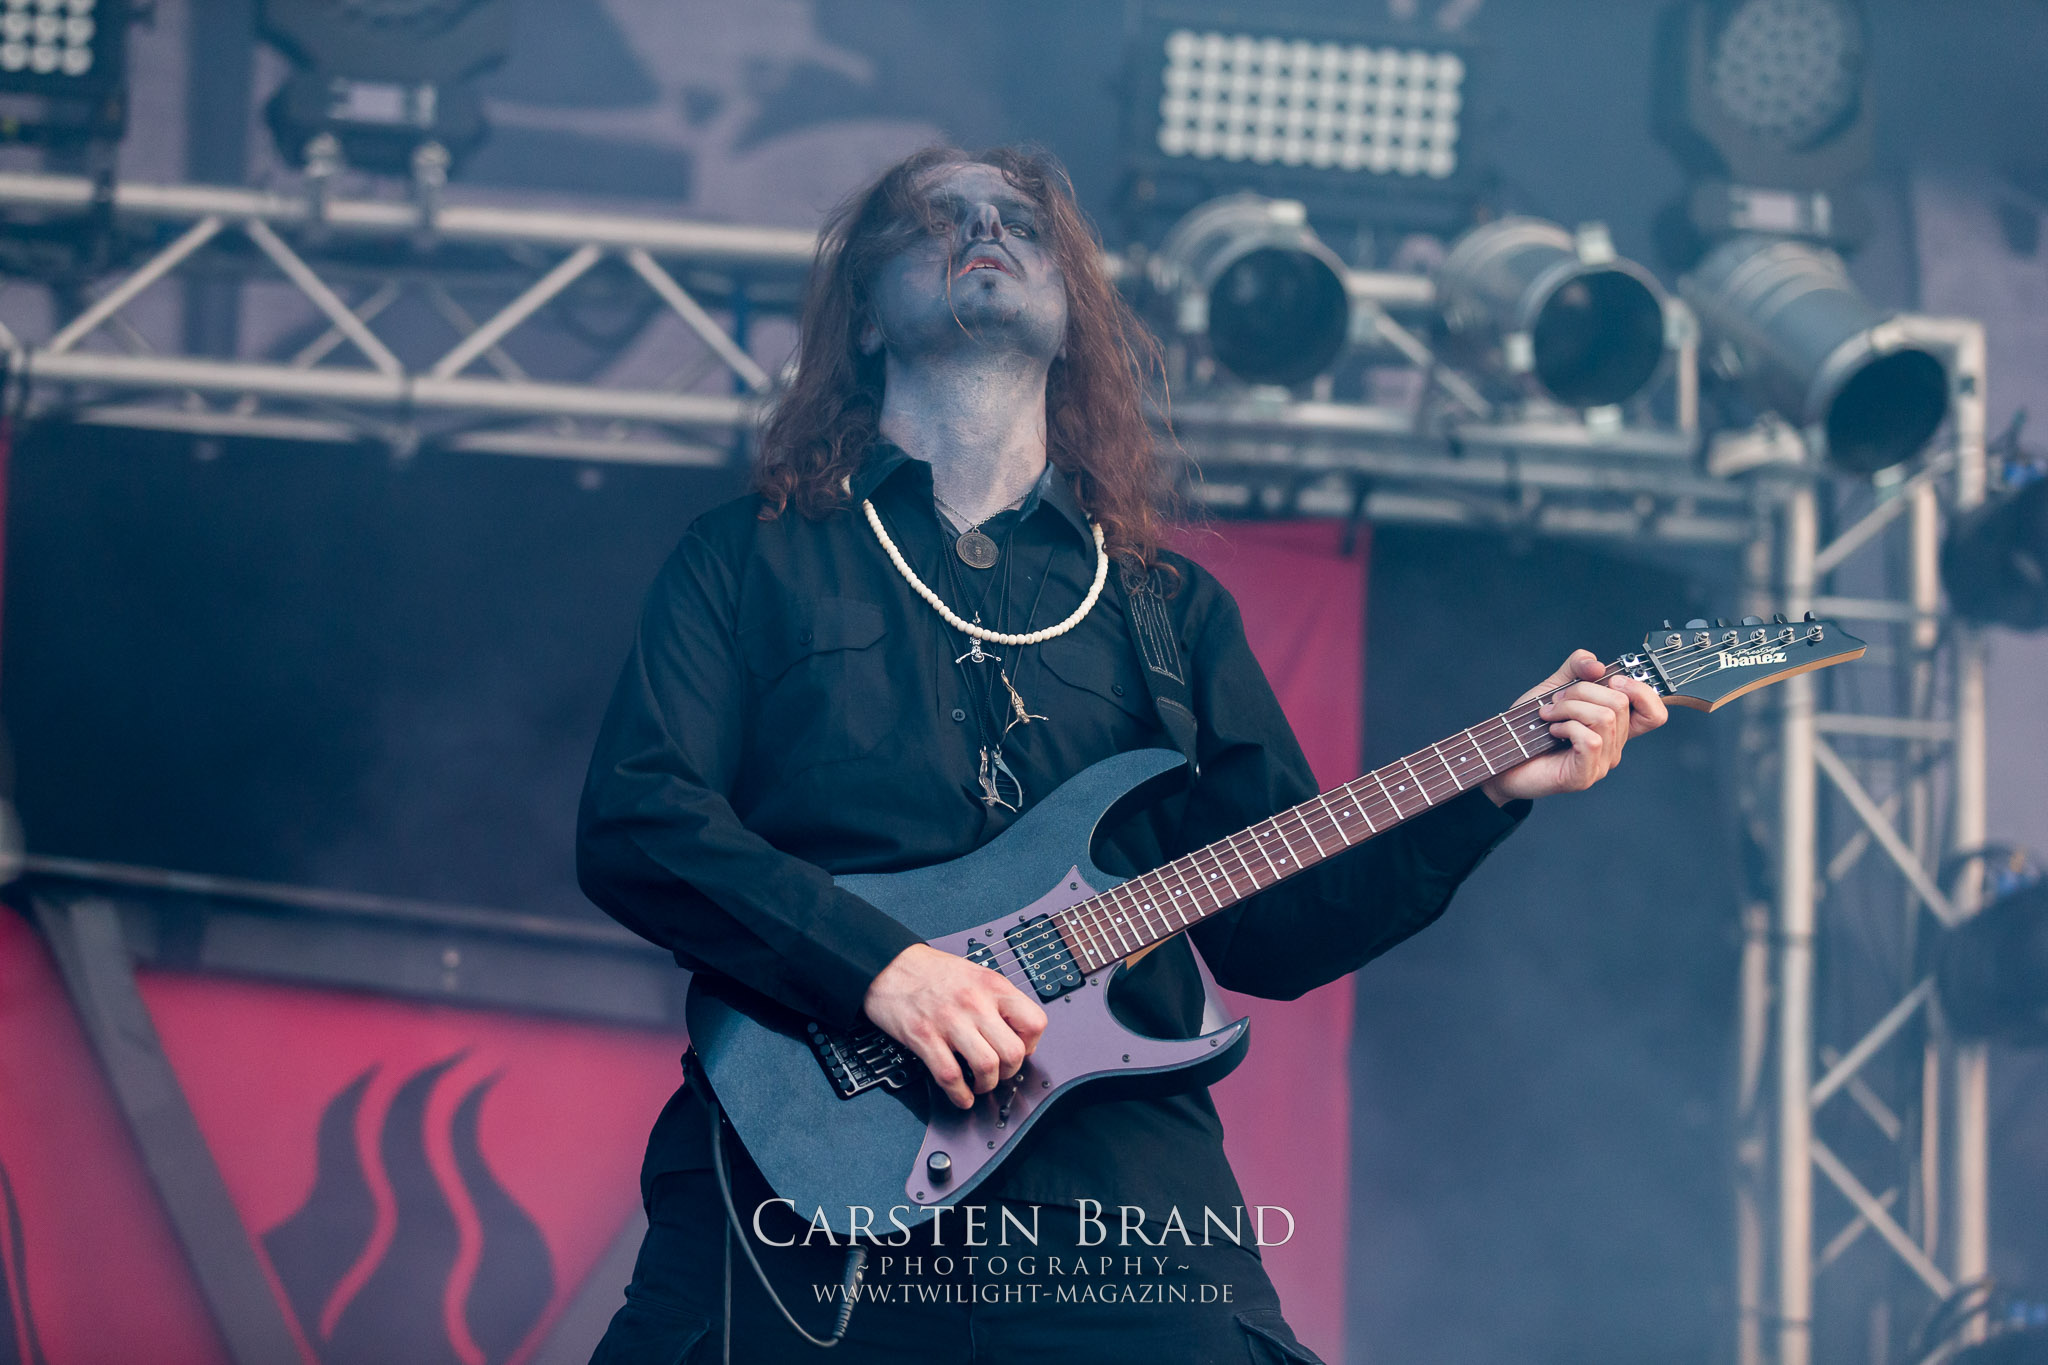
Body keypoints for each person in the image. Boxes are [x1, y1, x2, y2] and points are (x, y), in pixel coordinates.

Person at [576, 144, 1668, 1364]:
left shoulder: (1165, 609)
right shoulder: (750, 557)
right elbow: (637, 819)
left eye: (1019, 221)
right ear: (867, 319)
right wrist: (881, 971)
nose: (983, 230)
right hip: (802, 1163)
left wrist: (1487, 792)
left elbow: (1277, 932)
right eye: (935, 218)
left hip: (1115, 1204)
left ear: (1069, 319)